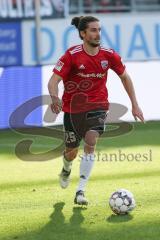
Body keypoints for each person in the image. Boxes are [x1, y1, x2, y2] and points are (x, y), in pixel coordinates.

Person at [48, 16, 144, 206]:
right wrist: (54, 98)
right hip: (72, 109)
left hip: (98, 106)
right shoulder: (71, 55)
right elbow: (53, 81)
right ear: (83, 34)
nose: (97, 33)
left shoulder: (109, 55)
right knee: (71, 151)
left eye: (99, 30)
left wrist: (135, 104)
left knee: (91, 141)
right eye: (93, 30)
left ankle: (80, 190)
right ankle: (66, 168)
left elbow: (125, 77)